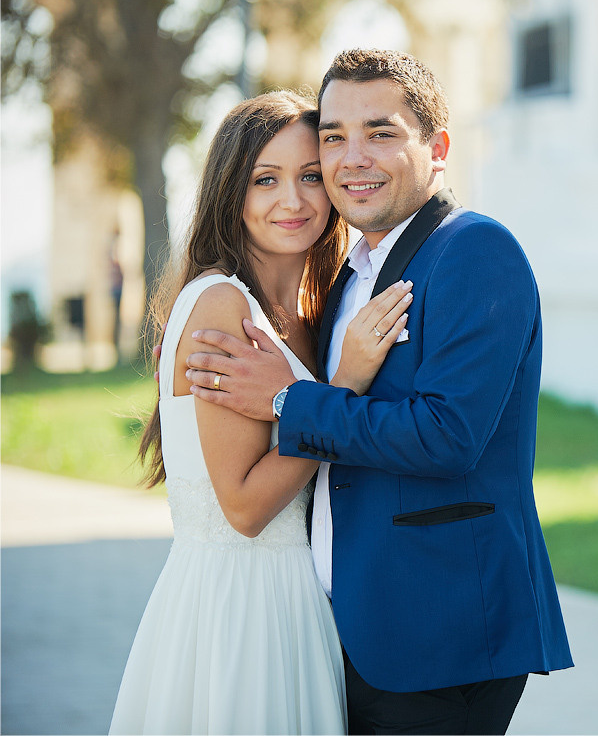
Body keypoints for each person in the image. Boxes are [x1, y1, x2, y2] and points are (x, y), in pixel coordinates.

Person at [184, 49, 573, 734]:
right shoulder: (347, 276)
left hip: (438, 629)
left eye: (381, 132)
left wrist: (289, 400)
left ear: (438, 147)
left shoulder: (476, 250)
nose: (351, 157)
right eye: (333, 136)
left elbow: (447, 436)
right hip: (350, 629)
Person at [111, 90, 413, 734]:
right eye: (265, 180)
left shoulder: (314, 316)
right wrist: (344, 386)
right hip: (236, 608)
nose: (294, 201)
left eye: (310, 176)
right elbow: (245, 509)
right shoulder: (222, 304)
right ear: (231, 193)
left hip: (300, 604)